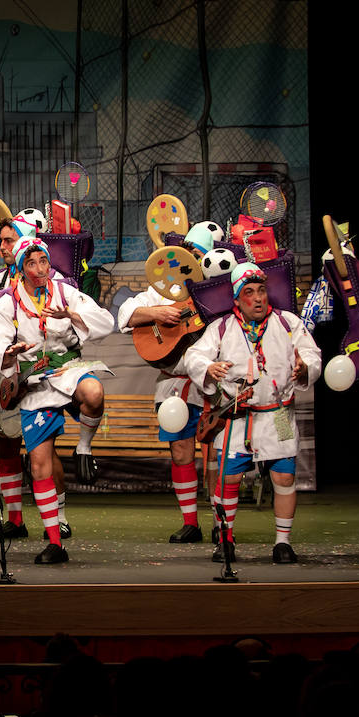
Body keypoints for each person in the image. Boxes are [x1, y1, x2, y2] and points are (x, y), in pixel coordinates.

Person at [0, 236, 115, 564]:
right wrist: (8, 355)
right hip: (34, 382)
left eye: (43, 261)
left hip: (68, 367)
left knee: (94, 394)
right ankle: (55, 542)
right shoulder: (8, 303)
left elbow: (106, 323)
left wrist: (70, 312)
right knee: (40, 463)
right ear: (21, 268)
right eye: (32, 263)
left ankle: (84, 446)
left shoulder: (65, 291)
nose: (40, 269)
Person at [184, 263, 322, 564]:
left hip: (278, 416)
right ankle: (226, 539)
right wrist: (208, 367)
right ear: (237, 299)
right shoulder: (222, 328)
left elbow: (311, 353)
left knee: (284, 478)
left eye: (261, 291)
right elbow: (193, 356)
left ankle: (283, 543)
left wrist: (305, 367)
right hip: (237, 418)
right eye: (249, 293)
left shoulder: (288, 323)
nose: (258, 298)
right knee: (227, 481)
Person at [0, 216, 77, 542]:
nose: (2, 246)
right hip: (5, 375)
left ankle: (58, 518)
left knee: (43, 449)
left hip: (40, 376)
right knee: (4, 442)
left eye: (8, 240)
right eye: (1, 240)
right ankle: (15, 520)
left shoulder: (49, 275)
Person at [116, 221, 218, 543]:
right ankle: (190, 522)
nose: (192, 262)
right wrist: (158, 313)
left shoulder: (217, 292)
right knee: (180, 452)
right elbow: (126, 315)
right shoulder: (161, 290)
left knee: (214, 454)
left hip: (212, 384)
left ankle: (221, 522)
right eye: (188, 255)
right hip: (174, 383)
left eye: (199, 256)